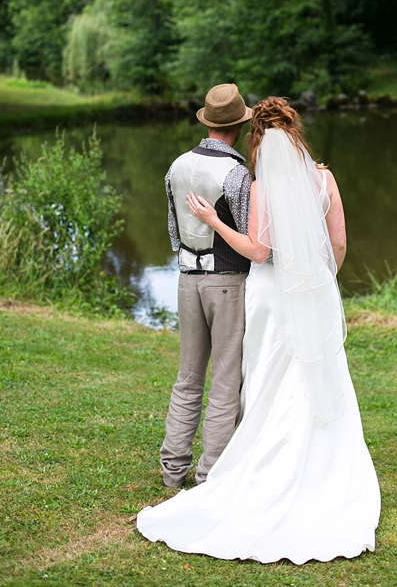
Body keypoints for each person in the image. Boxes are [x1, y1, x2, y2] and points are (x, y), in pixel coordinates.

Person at [137, 97, 380, 564]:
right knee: (318, 375)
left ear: (258, 140)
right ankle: (323, 468)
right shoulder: (325, 178)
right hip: (314, 292)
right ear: (297, 134)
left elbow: (258, 250)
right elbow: (340, 243)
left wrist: (211, 221)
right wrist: (317, 281)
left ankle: (224, 464)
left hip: (269, 296)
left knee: (267, 381)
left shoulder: (262, 185)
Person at [159, 83, 253, 488]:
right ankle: (211, 475)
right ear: (239, 128)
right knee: (226, 380)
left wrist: (189, 260)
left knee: (188, 377)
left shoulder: (176, 165)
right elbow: (252, 239)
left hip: (186, 279)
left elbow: (173, 229)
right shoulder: (237, 174)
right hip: (227, 282)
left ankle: (173, 470)